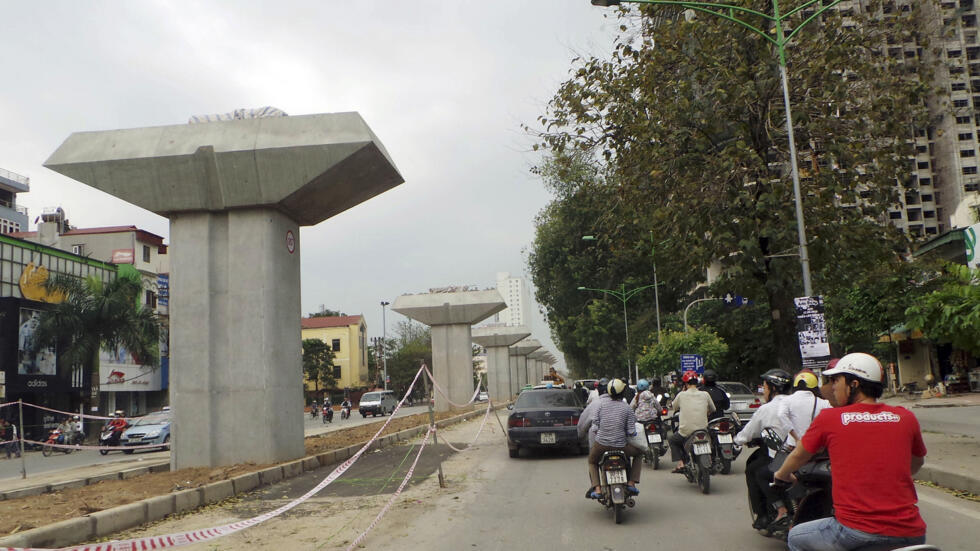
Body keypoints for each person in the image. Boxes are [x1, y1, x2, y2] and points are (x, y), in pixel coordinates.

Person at [774, 353, 927, 551]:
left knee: (795, 537)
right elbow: (916, 463)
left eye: (837, 380)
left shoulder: (830, 418)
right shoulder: (905, 417)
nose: (833, 386)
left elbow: (798, 455)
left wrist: (781, 475)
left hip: (856, 533)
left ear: (853, 384)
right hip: (912, 534)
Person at [733, 368, 793, 533]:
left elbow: (748, 433)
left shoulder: (767, 409)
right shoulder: (798, 403)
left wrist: (736, 441)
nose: (763, 391)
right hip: (806, 454)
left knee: (755, 470)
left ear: (773, 388)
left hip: (781, 455)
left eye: (765, 387)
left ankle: (764, 515)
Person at [587, 379, 642, 499]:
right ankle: (631, 482)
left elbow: (595, 426)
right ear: (623, 392)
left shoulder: (600, 405)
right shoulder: (627, 408)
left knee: (592, 461)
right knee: (639, 454)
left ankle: (597, 488)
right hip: (621, 446)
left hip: (601, 445)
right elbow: (631, 431)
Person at [668, 371, 715, 473]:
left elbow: (674, 407)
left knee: (672, 440)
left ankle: (680, 463)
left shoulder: (681, 395)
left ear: (685, 384)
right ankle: (712, 459)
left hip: (686, 432)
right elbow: (713, 409)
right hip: (703, 429)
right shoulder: (705, 394)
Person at [778, 369, 831, 448]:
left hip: (794, 448)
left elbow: (781, 415)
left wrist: (796, 438)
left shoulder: (786, 401)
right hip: (817, 449)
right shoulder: (824, 403)